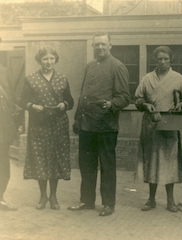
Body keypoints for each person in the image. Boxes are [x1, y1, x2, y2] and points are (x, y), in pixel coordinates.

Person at [68, 32, 130, 217]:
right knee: (86, 165)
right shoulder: (89, 66)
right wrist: (78, 119)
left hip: (105, 126)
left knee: (107, 165)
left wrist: (112, 104)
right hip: (87, 125)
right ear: (93, 47)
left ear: (110, 45)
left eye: (103, 44)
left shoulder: (118, 67)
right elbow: (83, 96)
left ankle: (108, 204)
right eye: (97, 45)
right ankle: (87, 201)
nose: (100, 48)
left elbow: (125, 97)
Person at [135, 46, 182, 212]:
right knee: (152, 161)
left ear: (171, 60)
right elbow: (138, 99)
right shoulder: (147, 79)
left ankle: (171, 200)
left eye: (166, 59)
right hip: (151, 125)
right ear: (155, 61)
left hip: (170, 124)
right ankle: (151, 199)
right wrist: (146, 105)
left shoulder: (177, 78)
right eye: (159, 59)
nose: (162, 62)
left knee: (170, 162)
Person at [21, 45, 74, 210]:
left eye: (51, 58)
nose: (48, 62)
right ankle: (43, 196)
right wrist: (32, 106)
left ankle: (53, 196)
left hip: (58, 125)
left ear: (55, 60)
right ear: (39, 61)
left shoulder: (62, 79)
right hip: (39, 125)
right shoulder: (30, 79)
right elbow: (23, 101)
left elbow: (70, 101)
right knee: (41, 158)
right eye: (45, 59)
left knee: (55, 158)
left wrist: (63, 104)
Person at [0, 37, 19, 211]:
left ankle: (0, 198)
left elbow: (11, 99)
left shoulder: (4, 71)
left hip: (2, 128)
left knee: (3, 165)